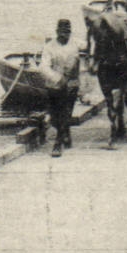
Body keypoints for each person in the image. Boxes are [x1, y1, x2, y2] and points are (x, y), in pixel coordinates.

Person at [39, 18, 81, 157]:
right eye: (62, 32)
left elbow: (73, 64)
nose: (64, 35)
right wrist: (57, 78)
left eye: (67, 32)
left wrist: (67, 79)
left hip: (70, 85)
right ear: (57, 32)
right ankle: (66, 132)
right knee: (54, 117)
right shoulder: (49, 47)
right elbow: (44, 67)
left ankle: (58, 143)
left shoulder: (74, 46)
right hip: (54, 85)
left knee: (66, 112)